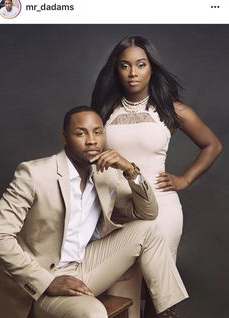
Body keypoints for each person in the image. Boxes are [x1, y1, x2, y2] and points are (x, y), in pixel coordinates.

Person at [0, 106, 188, 318]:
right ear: (64, 137)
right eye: (81, 133)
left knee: (148, 229)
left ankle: (167, 313)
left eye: (98, 132)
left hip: (84, 267)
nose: (92, 140)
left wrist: (131, 170)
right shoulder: (34, 174)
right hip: (41, 280)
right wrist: (46, 281)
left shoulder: (106, 176)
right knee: (94, 314)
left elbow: (148, 213)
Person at [91, 35, 222, 317]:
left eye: (141, 65)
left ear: (152, 68)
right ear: (116, 70)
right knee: (118, 293)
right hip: (116, 210)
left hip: (161, 208)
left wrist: (184, 179)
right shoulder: (103, 111)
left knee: (158, 292)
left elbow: (213, 145)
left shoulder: (170, 110)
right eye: (125, 66)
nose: (133, 73)